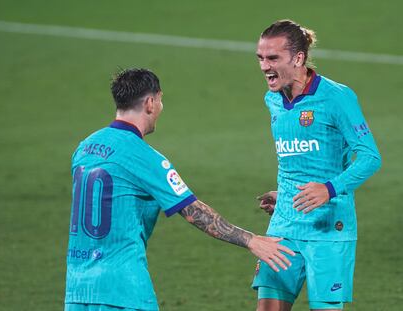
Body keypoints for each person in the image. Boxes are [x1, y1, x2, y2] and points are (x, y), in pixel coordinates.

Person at [64, 68, 295, 311]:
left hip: (77, 289)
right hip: (122, 290)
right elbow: (194, 212)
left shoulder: (85, 148)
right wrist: (252, 240)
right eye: (160, 100)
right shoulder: (143, 157)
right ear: (150, 103)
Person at [252, 20, 381, 311]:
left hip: (329, 228)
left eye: (273, 58)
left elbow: (371, 157)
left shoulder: (337, 97)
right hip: (286, 222)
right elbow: (296, 158)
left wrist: (329, 189)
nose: (264, 66)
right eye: (260, 57)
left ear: (298, 58)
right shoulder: (272, 99)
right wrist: (284, 193)